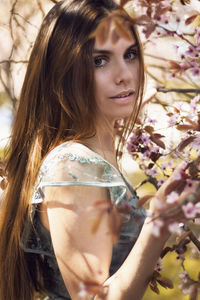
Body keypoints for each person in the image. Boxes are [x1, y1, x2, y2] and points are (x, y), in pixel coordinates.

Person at [0, 0, 197, 299]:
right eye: (99, 61)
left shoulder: (87, 156)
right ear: (63, 72)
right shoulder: (72, 168)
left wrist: (111, 125)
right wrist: (160, 221)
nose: (125, 74)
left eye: (130, 55)